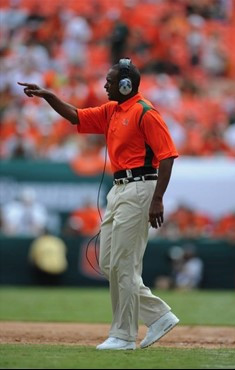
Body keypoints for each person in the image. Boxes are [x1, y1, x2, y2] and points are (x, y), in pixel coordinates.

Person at [18, 57, 180, 350]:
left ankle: (124, 336)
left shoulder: (146, 112)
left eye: (110, 80)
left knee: (124, 264)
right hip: (119, 189)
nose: (105, 84)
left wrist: (158, 198)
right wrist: (50, 96)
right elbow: (76, 117)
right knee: (108, 263)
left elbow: (168, 155)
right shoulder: (112, 110)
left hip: (141, 186)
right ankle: (159, 316)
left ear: (126, 84)